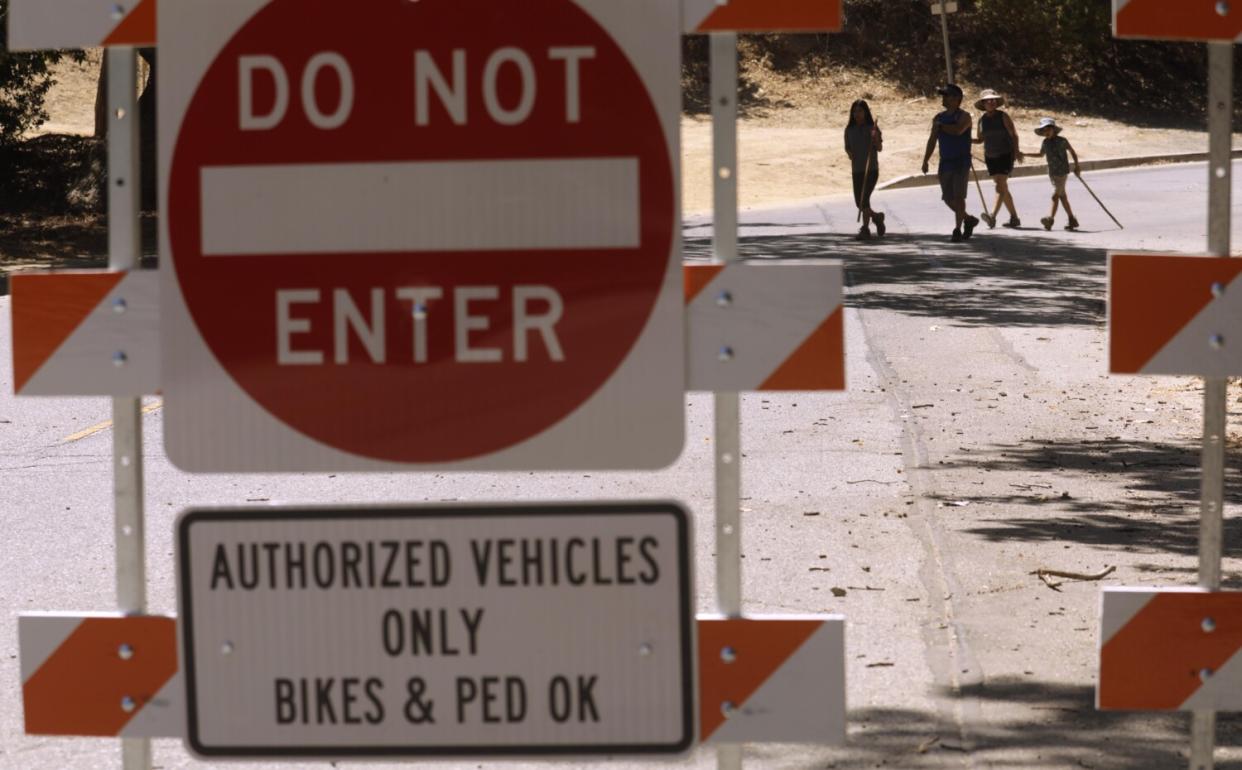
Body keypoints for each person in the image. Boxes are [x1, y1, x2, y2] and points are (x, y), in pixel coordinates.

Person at [922, 83, 979, 242]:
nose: (944, 98)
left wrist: (941, 126)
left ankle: (957, 229)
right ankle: (968, 219)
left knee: (959, 196)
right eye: (943, 95)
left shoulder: (964, 116)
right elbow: (932, 139)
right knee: (948, 198)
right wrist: (925, 160)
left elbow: (958, 130)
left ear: (957, 99)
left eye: (947, 96)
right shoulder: (938, 118)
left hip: (961, 161)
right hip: (945, 162)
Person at [972, 88, 1022, 229]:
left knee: (1000, 185)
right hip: (990, 156)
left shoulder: (1003, 116)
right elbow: (980, 139)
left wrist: (1016, 151)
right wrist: (966, 141)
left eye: (993, 100)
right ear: (983, 104)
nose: (991, 102)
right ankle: (1014, 218)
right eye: (988, 100)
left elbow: (1014, 135)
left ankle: (992, 216)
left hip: (1005, 154)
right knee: (1002, 187)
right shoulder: (982, 120)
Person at [1027, 117, 1081, 231]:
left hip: (1062, 173)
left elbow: (1073, 152)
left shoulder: (1062, 141)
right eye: (1044, 131)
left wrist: (1077, 166)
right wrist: (1025, 154)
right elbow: (1040, 154)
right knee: (1062, 197)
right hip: (1052, 173)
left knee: (1055, 196)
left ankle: (1050, 219)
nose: (1046, 132)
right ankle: (1072, 220)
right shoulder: (1045, 142)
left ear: (1053, 129)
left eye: (1048, 130)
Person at [844, 99, 886, 240]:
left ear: (865, 112)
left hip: (871, 169)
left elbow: (879, 148)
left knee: (864, 200)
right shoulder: (849, 130)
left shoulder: (872, 128)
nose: (857, 114)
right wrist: (850, 153)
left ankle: (865, 228)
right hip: (857, 170)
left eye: (860, 111)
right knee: (859, 202)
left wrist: (875, 139)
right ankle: (877, 217)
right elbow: (848, 149)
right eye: (854, 112)